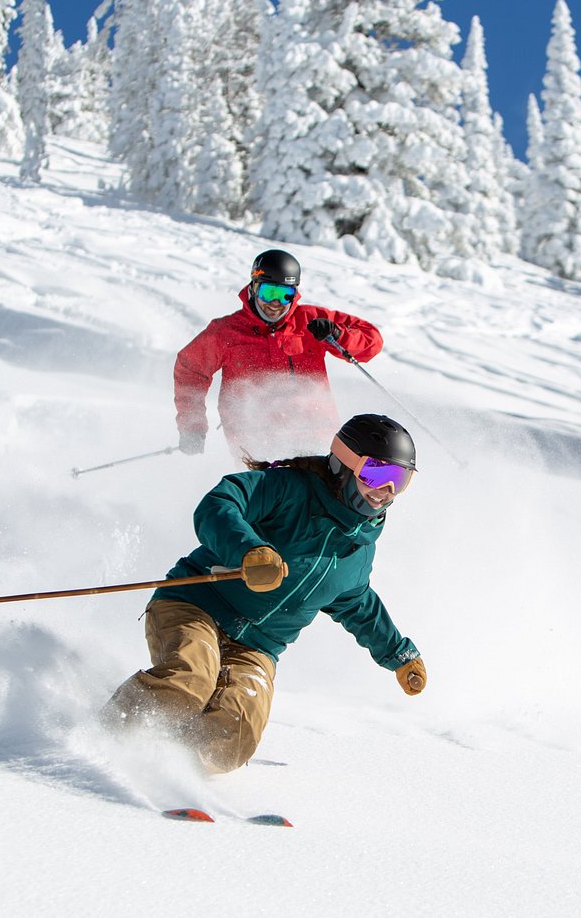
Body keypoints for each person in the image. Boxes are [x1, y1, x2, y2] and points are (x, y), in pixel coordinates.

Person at [103, 413, 427, 773]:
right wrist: (247, 550)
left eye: (400, 480)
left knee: (235, 733)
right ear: (343, 464)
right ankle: (107, 738)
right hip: (196, 608)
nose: (386, 490)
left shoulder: (360, 549)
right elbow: (220, 503)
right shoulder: (289, 489)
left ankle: (173, 771)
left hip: (257, 649)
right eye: (376, 474)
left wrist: (398, 654)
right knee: (189, 682)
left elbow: (356, 604)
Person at [173, 248, 384, 461]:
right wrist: (192, 426)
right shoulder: (226, 332)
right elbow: (190, 369)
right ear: (254, 288)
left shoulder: (308, 320)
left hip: (315, 441)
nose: (275, 303)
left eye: (285, 295)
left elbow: (372, 340)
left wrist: (338, 334)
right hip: (256, 447)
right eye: (269, 293)